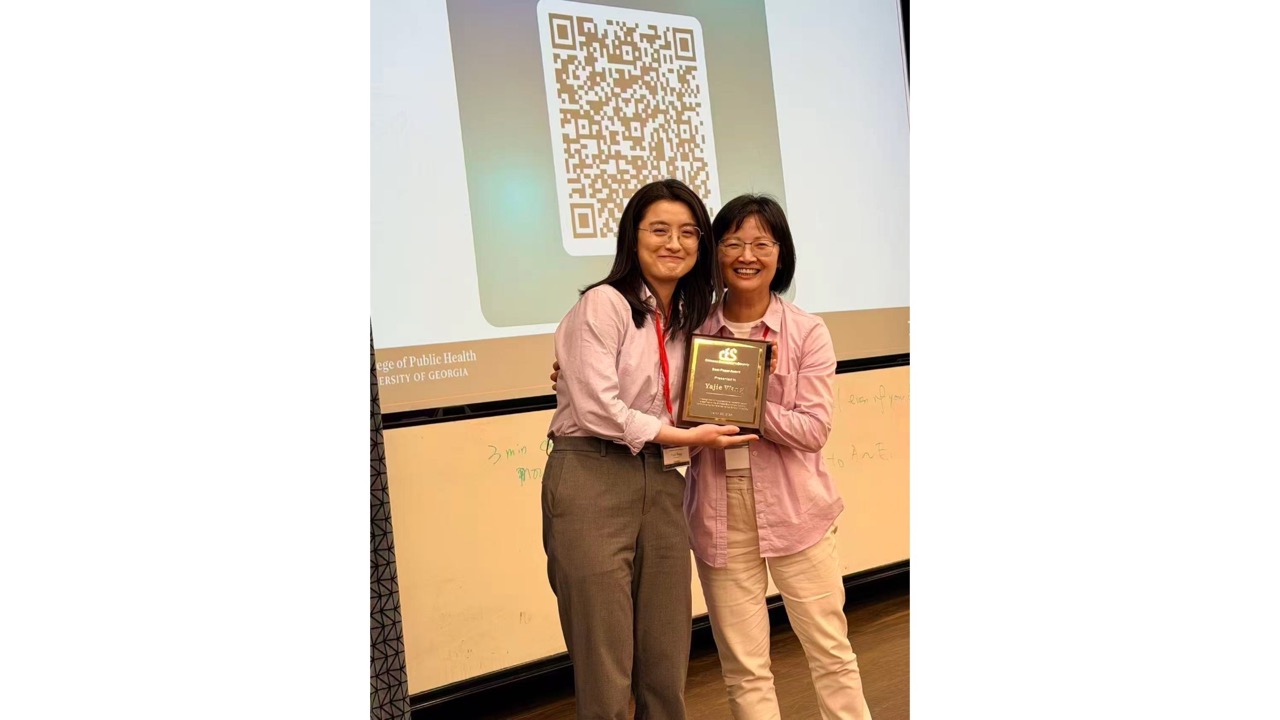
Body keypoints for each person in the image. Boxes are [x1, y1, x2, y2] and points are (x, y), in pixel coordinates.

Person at [542, 178, 756, 720]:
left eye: (688, 232)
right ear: (632, 237)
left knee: (666, 657)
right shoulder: (604, 304)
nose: (674, 243)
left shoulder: (688, 322)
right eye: (659, 229)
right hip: (591, 476)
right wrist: (687, 436)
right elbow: (598, 410)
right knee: (605, 660)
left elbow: (680, 400)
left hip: (663, 480)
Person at [686, 193, 873, 720]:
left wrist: (745, 399)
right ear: (715, 253)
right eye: (733, 242)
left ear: (780, 254)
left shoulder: (807, 331)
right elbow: (664, 407)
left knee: (830, 653)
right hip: (719, 515)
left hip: (797, 512)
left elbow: (813, 430)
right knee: (744, 671)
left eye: (761, 243)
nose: (748, 254)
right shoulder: (691, 330)